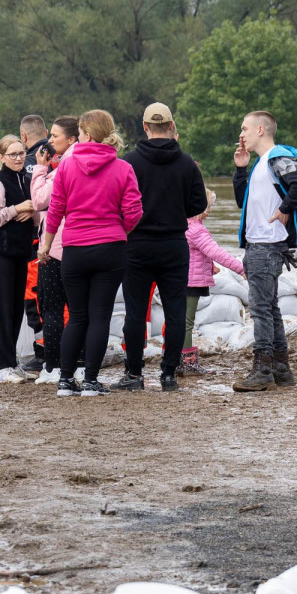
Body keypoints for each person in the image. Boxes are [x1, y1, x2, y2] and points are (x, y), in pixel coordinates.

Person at [40, 110, 142, 397]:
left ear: (84, 134)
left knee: (76, 316)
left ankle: (64, 380)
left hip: (73, 249)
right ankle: (90, 381)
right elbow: (134, 211)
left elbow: (56, 209)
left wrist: (47, 244)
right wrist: (120, 230)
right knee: (100, 316)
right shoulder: (123, 168)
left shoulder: (67, 167)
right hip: (110, 249)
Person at [113, 103, 207, 394]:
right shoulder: (187, 162)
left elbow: (118, 201)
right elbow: (198, 205)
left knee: (135, 312)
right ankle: (168, 375)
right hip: (173, 246)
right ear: (171, 126)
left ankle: (134, 373)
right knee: (175, 311)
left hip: (137, 245)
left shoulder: (128, 162)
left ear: (144, 126)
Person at [232, 110, 297, 392]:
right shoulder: (260, 163)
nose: (241, 134)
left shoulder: (278, 157)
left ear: (261, 130)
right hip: (258, 244)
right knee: (270, 308)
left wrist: (284, 209)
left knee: (261, 310)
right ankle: (281, 369)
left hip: (267, 246)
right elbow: (243, 202)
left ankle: (262, 369)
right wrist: (241, 169)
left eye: (245, 128)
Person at [0, 136, 39, 383]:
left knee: (16, 310)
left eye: (22, 153)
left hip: (22, 252)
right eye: (13, 154)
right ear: (1, 157)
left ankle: (12, 362)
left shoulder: (27, 180)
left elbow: (36, 216)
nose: (19, 158)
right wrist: (16, 209)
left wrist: (32, 210)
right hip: (1, 253)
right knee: (2, 309)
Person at [29, 115, 80, 384]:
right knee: (80, 310)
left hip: (56, 247)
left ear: (72, 139)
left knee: (51, 308)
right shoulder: (85, 162)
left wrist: (40, 168)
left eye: (55, 136)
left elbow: (39, 200)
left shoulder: (64, 167)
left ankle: (53, 367)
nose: (49, 141)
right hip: (81, 245)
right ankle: (80, 364)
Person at [183, 188, 244, 375]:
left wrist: (210, 267)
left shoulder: (183, 224)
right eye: (210, 207)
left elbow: (193, 254)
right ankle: (186, 363)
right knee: (187, 322)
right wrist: (241, 269)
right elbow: (216, 253)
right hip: (191, 282)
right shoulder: (197, 230)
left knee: (180, 320)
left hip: (183, 277)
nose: (210, 211)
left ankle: (174, 360)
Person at [19, 114, 51, 373]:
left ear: (23, 137)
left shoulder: (23, 164)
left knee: (35, 296)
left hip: (33, 240)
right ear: (48, 132)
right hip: (61, 237)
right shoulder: (61, 159)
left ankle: (42, 351)